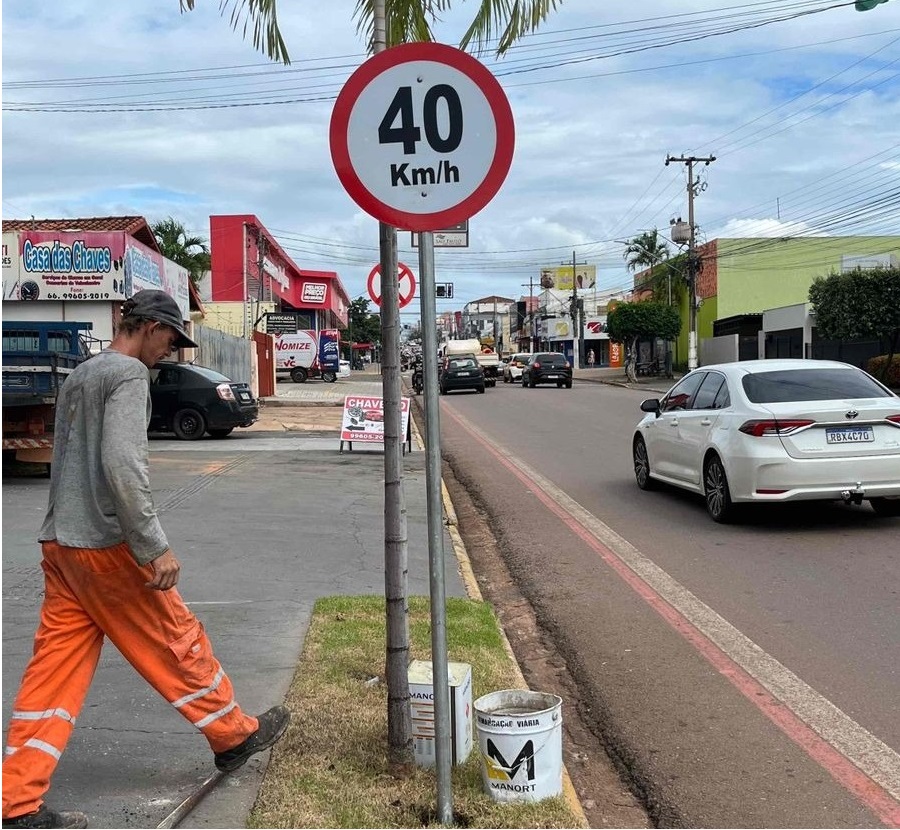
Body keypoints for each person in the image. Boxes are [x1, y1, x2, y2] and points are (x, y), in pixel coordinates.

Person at [2, 291, 290, 830]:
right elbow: (122, 463)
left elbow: (69, 462)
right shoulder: (129, 376)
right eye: (170, 340)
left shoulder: (81, 375)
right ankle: (233, 736)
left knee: (53, 674)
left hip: (60, 545)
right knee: (176, 638)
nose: (170, 353)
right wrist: (152, 544)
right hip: (106, 547)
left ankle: (15, 801)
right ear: (150, 327)